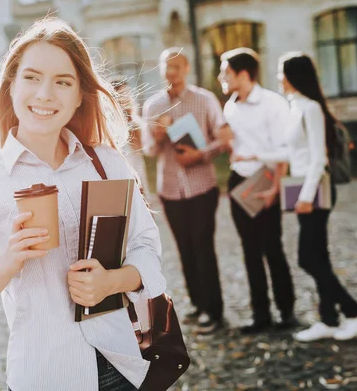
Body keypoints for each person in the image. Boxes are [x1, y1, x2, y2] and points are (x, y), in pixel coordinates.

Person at [0, 18, 166, 391]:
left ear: (80, 94)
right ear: (10, 86)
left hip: (122, 365)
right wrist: (8, 262)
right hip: (44, 374)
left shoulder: (106, 163)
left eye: (62, 81)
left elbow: (147, 250)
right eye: (31, 77)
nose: (45, 94)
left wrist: (112, 281)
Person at [234, 52, 357, 342]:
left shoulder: (311, 109)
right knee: (318, 255)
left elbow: (318, 159)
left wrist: (307, 196)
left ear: (294, 76)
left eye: (281, 73)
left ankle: (355, 311)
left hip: (314, 188)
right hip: (301, 186)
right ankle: (329, 319)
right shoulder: (296, 108)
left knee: (306, 258)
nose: (277, 78)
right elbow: (293, 154)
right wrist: (257, 155)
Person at [141, 48, 229, 334]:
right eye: (167, 67)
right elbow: (150, 151)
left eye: (177, 66)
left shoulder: (205, 100)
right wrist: (156, 137)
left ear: (187, 68)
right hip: (170, 189)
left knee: (203, 246)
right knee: (185, 249)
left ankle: (214, 310)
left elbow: (224, 140)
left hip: (202, 186)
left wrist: (200, 154)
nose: (172, 72)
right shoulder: (153, 106)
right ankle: (197, 303)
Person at [218, 47, 297, 334]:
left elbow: (283, 151)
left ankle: (287, 311)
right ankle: (260, 314)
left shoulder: (273, 104)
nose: (220, 77)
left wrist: (276, 188)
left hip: (266, 178)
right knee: (249, 250)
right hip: (239, 181)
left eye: (225, 72)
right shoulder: (231, 106)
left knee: (272, 248)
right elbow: (238, 148)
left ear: (242, 74)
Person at [110, 79, 149, 190]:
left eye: (128, 94)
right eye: (121, 95)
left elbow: (145, 148)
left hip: (139, 175)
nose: (126, 99)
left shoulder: (136, 121)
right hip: (122, 181)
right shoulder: (111, 126)